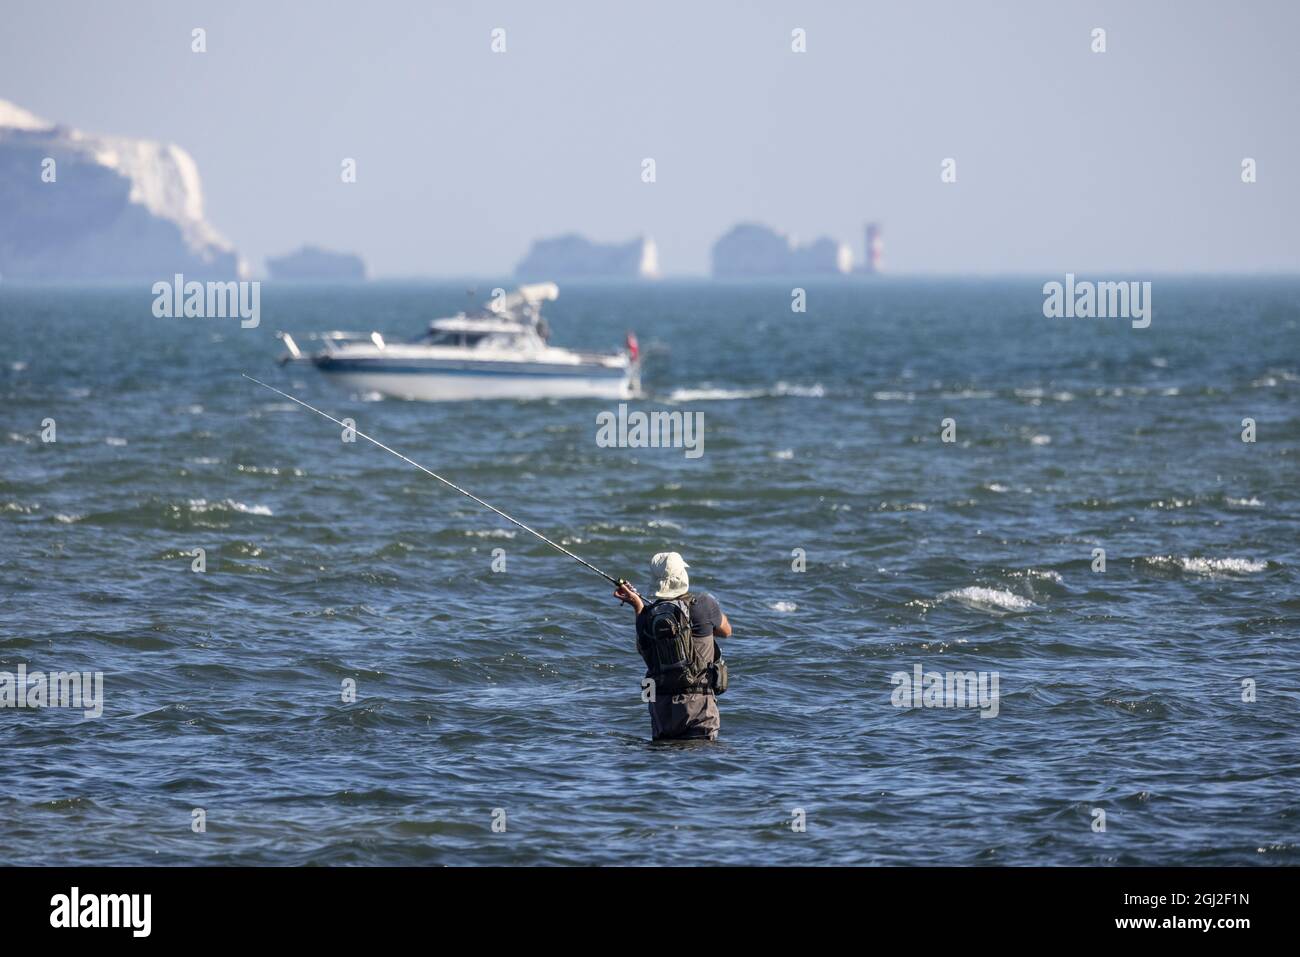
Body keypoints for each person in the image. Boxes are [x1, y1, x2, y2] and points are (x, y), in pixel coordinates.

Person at [614, 552, 732, 741]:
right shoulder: (704, 605)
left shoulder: (648, 615)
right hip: (698, 706)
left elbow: (644, 652)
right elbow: (726, 631)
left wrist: (638, 606)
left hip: (660, 706)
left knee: (664, 764)